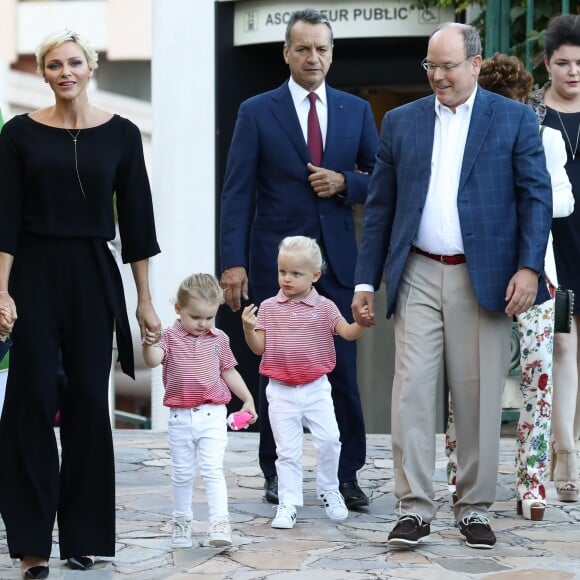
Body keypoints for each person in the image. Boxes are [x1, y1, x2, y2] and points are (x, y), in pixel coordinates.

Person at [352, 22, 552, 549]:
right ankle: (414, 507)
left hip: (481, 274)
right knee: (411, 393)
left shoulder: (511, 120)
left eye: (447, 66)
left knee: (478, 394)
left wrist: (529, 267)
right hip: (415, 271)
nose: (437, 76)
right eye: (430, 66)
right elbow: (381, 210)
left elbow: (536, 197)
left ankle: (473, 508)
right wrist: (364, 281)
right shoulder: (400, 122)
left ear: (476, 64)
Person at [0, 29, 161, 579]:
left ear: (90, 67)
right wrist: (0, 290)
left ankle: (83, 538)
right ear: (43, 73)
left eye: (74, 62)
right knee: (30, 402)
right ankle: (30, 543)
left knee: (91, 402)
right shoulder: (18, 134)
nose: (64, 71)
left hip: (95, 272)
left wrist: (144, 301)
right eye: (53, 64)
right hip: (34, 275)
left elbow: (138, 222)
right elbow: (4, 217)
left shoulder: (121, 134)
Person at [219, 8, 379, 509]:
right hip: (278, 268)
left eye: (322, 49)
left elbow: (383, 182)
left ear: (332, 53)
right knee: (276, 372)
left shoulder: (355, 110)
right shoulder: (257, 110)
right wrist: (233, 262)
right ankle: (275, 472)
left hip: (336, 265)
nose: (314, 57)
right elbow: (237, 192)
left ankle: (347, 476)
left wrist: (345, 183)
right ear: (286, 52)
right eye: (304, 48)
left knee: (344, 374)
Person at [445, 53, 574, 521]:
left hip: (536, 276)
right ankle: (461, 475)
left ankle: (532, 483)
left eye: (514, 101)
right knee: (469, 380)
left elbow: (562, 199)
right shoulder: (462, 141)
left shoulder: (546, 139)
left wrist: (523, 198)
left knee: (539, 380)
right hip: (477, 274)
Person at [241, 236, 368, 528]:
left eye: (296, 273)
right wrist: (248, 329)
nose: (287, 279)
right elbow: (259, 348)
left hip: (316, 388)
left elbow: (346, 333)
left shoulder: (325, 307)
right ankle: (288, 503)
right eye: (282, 271)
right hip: (281, 390)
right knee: (287, 451)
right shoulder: (270, 307)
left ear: (315, 275)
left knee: (329, 440)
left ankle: (329, 488)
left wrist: (361, 323)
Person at [142, 273, 257, 549]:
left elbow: (228, 371)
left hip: (212, 414)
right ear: (178, 309)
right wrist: (148, 343)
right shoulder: (168, 337)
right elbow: (153, 360)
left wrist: (247, 398)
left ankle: (220, 522)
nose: (203, 324)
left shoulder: (219, 339)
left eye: (209, 317)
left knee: (212, 470)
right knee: (182, 473)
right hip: (180, 417)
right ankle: (182, 521)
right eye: (195, 317)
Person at [529, 13, 580, 504]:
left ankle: (570, 444)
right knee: (562, 347)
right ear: (547, 63)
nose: (572, 71)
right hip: (550, 241)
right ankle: (564, 453)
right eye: (563, 62)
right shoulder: (530, 113)